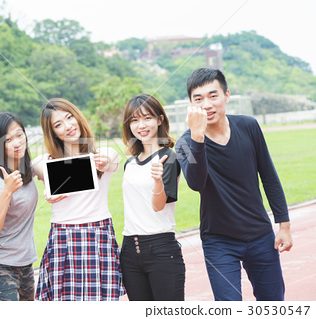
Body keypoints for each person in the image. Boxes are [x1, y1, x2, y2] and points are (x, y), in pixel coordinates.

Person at [175, 68, 293, 301]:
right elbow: (196, 183)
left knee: (274, 304)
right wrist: (198, 137)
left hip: (260, 235)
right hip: (219, 241)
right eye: (198, 99)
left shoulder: (249, 126)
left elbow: (269, 176)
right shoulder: (185, 143)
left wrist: (284, 226)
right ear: (190, 104)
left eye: (213, 95)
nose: (207, 104)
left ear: (226, 96)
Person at [33, 98, 125, 301]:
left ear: (77, 116)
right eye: (58, 125)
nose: (68, 126)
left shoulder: (103, 154)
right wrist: (51, 183)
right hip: (63, 238)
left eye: (69, 117)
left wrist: (103, 161)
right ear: (52, 133)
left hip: (99, 235)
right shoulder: (46, 161)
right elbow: (38, 167)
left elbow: (112, 157)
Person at [120, 93, 185, 301]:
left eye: (147, 118)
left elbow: (158, 206)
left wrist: (158, 181)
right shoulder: (129, 164)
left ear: (159, 119)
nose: (141, 125)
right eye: (135, 120)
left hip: (161, 250)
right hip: (129, 251)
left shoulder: (168, 157)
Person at [0, 112, 38, 301]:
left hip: (25, 264)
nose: (17, 142)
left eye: (20, 135)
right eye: (8, 139)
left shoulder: (27, 169)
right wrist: (7, 191)